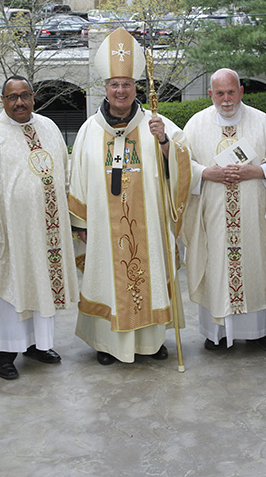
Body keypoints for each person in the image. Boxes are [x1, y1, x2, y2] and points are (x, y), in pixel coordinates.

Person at [68, 27, 196, 365]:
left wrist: (166, 143)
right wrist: (79, 223)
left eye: (126, 84)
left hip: (149, 226)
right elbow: (78, 179)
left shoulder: (157, 125)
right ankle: (108, 344)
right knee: (108, 279)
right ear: (106, 89)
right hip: (103, 231)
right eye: (114, 85)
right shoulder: (89, 131)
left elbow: (185, 169)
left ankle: (151, 341)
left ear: (135, 87)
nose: (121, 90)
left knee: (149, 275)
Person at [0, 75, 79, 380]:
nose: (20, 102)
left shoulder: (48, 127)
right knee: (10, 292)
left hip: (45, 231)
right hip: (10, 234)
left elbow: (63, 173)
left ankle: (37, 345)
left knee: (40, 287)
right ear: (3, 100)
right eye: (12, 97)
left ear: (34, 97)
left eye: (25, 95)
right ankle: (3, 353)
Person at [180, 68, 266, 353]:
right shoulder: (196, 124)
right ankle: (215, 332)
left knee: (256, 266)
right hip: (214, 217)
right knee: (216, 268)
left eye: (231, 92)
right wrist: (206, 173)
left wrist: (258, 170)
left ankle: (260, 331)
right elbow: (182, 166)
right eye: (220, 93)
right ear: (211, 95)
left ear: (241, 91)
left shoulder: (262, 122)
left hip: (254, 218)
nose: (226, 99)